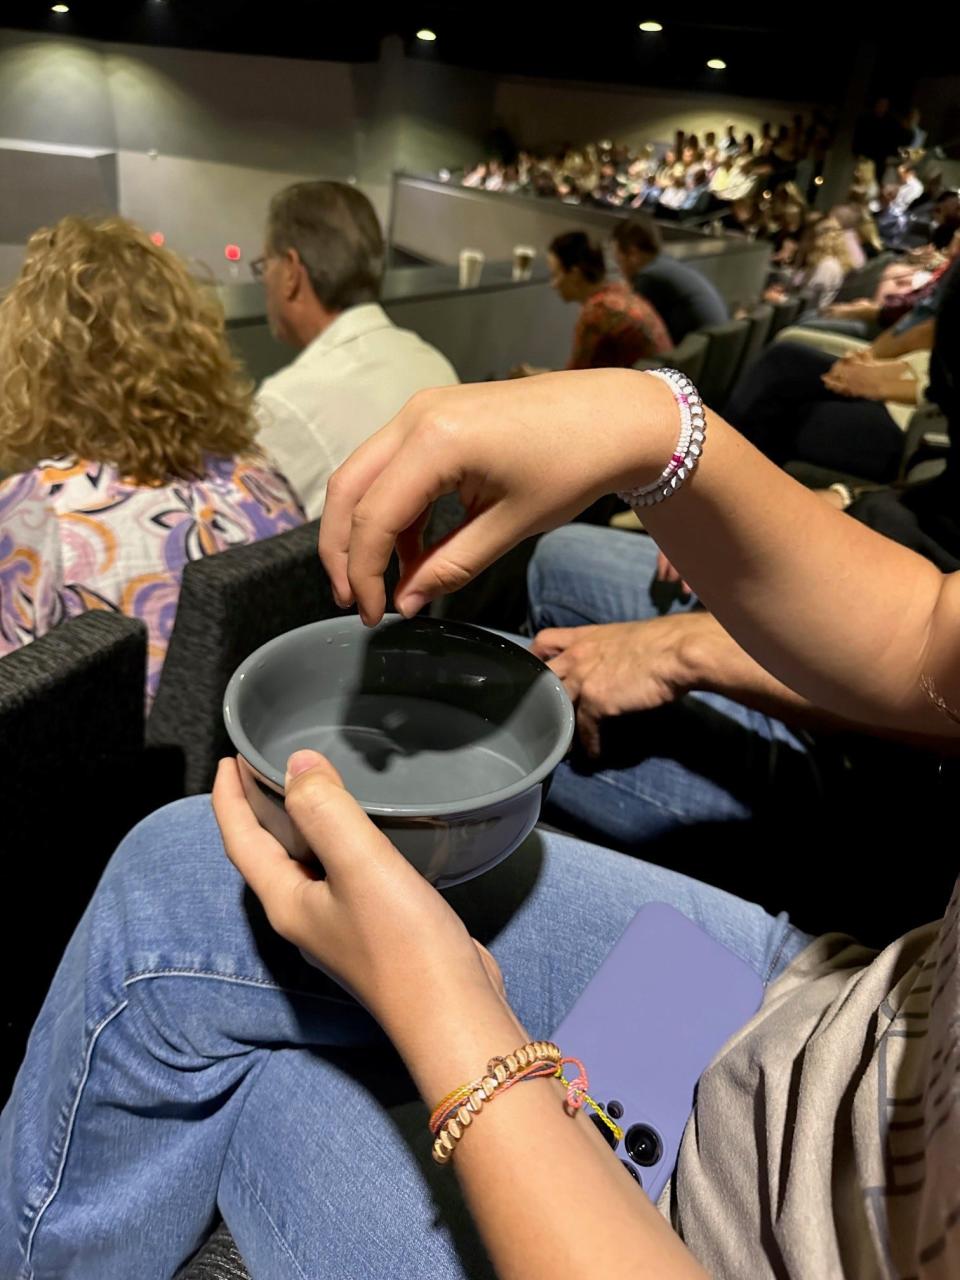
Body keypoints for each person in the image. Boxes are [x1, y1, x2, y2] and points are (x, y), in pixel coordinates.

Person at [4, 311, 960, 1280]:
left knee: (261, 1080)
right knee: (185, 869)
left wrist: (456, 1018)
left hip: (722, 1244)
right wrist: (655, 423)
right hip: (821, 1022)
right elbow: (932, 636)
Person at [0, 216, 303, 703]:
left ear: (38, 364)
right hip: (257, 750)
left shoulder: (36, 511)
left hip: (110, 772)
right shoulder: (260, 477)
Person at [253, 181, 457, 519]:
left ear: (291, 271)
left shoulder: (283, 406)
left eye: (265, 264)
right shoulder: (435, 363)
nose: (264, 280)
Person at [515, 231, 671, 374]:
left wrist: (532, 376)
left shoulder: (598, 313)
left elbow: (574, 381)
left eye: (555, 275)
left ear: (574, 274)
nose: (553, 284)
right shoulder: (619, 293)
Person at [612, 216, 728, 344]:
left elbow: (632, 328)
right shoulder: (664, 265)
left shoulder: (649, 278)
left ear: (633, 255)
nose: (620, 270)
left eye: (619, 262)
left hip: (693, 356)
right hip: (711, 349)